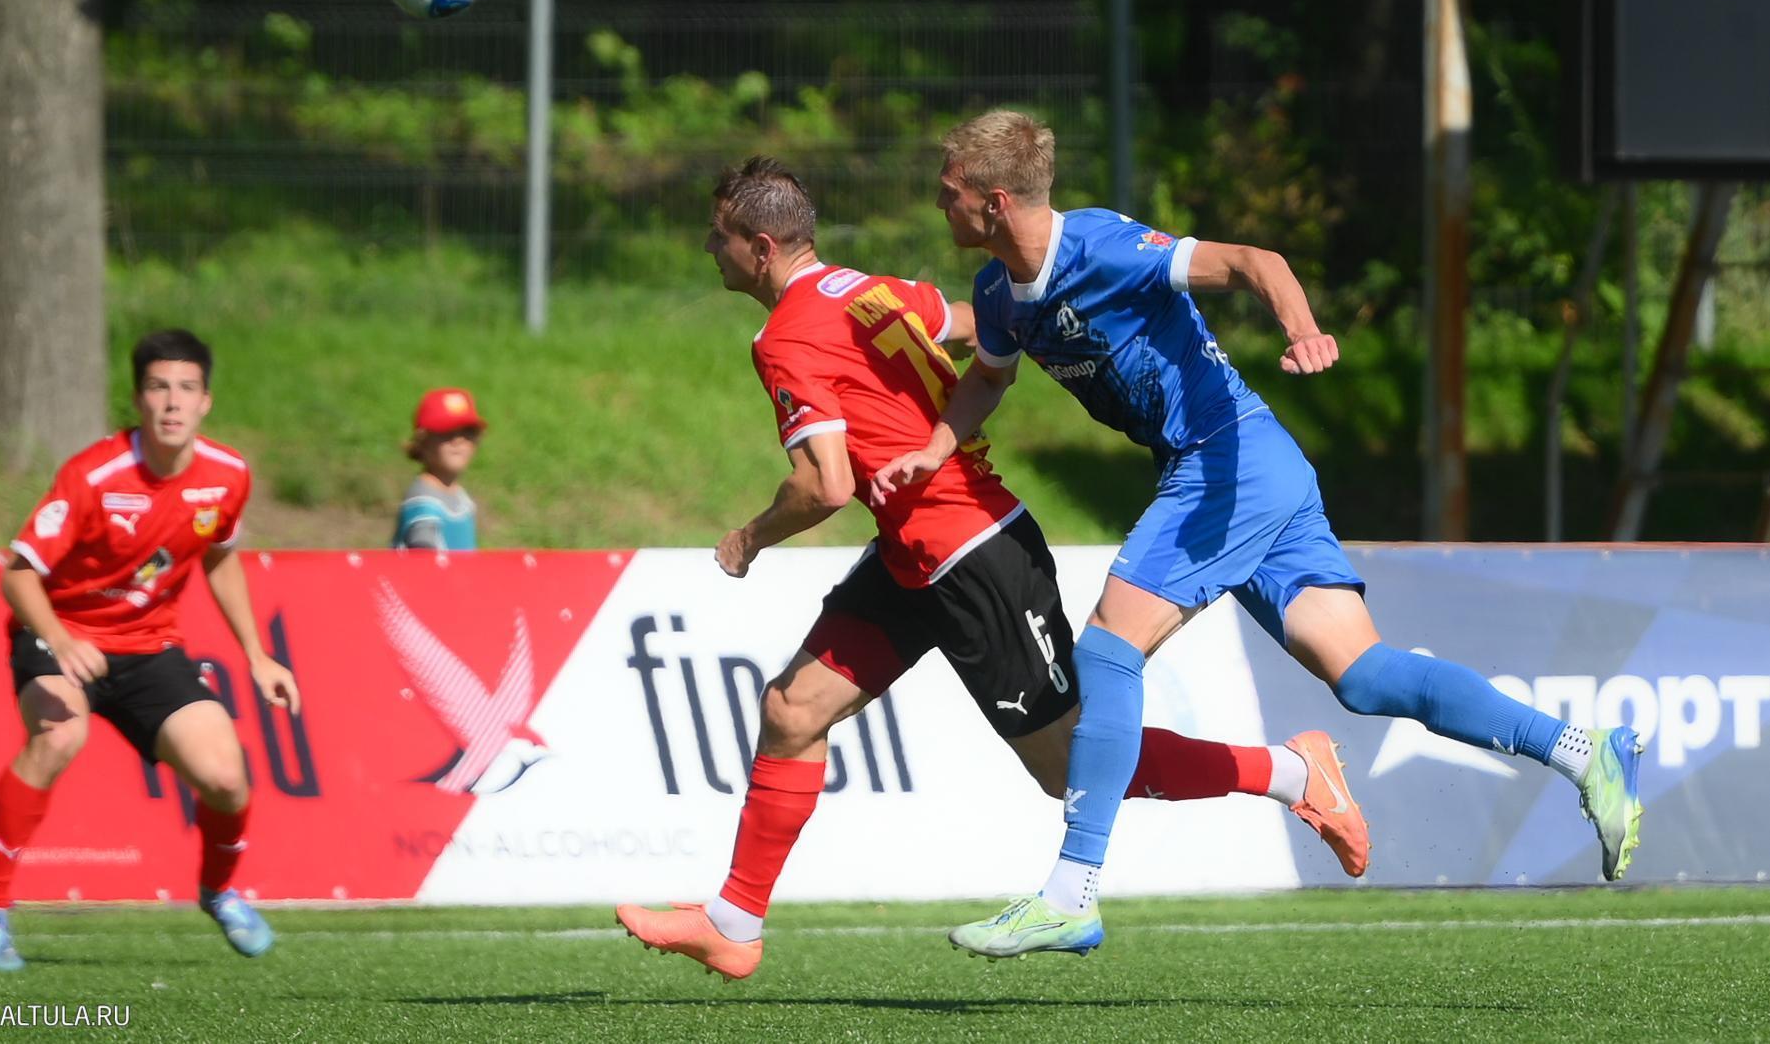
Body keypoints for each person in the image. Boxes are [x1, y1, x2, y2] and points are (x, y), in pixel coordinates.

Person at [871, 111, 1644, 959]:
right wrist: (934, 449)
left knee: (1107, 651)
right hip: (1248, 467)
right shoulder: (995, 292)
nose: (937, 203)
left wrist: (1302, 330)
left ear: (994, 201)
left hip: (1224, 460)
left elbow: (1253, 261)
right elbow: (988, 378)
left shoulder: (1099, 245)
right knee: (1364, 676)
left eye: (948, 191)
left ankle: (1070, 894)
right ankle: (1584, 752)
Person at [616, 157, 1370, 982]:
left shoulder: (787, 336)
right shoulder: (865, 289)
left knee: (1067, 769)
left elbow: (823, 485)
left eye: (717, 238)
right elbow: (975, 323)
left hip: (975, 555)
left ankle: (1291, 773)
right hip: (911, 552)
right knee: (791, 710)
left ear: (760, 248)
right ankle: (733, 922)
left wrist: (750, 538)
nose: (709, 250)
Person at [0, 329, 302, 972]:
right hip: (57, 634)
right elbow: (19, 575)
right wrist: (62, 640)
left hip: (149, 647)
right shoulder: (93, 474)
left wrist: (257, 655)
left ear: (206, 401)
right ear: (139, 398)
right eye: (158, 387)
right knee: (59, 736)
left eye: (186, 388)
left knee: (227, 778)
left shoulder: (227, 475)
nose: (172, 402)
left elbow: (220, 557)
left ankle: (219, 892)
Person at [392, 388, 484, 551]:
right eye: (446, 432)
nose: (458, 440)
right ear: (423, 442)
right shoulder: (424, 502)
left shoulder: (461, 498)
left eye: (468, 432)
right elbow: (424, 559)